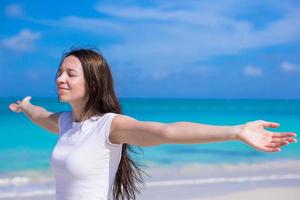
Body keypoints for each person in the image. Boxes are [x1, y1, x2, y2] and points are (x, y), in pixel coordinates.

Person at [9, 48, 297, 200]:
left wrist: (235, 131)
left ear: (93, 82)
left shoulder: (109, 126)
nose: (60, 78)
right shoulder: (65, 123)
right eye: (59, 72)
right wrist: (24, 106)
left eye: (70, 74)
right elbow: (38, 114)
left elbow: (166, 132)